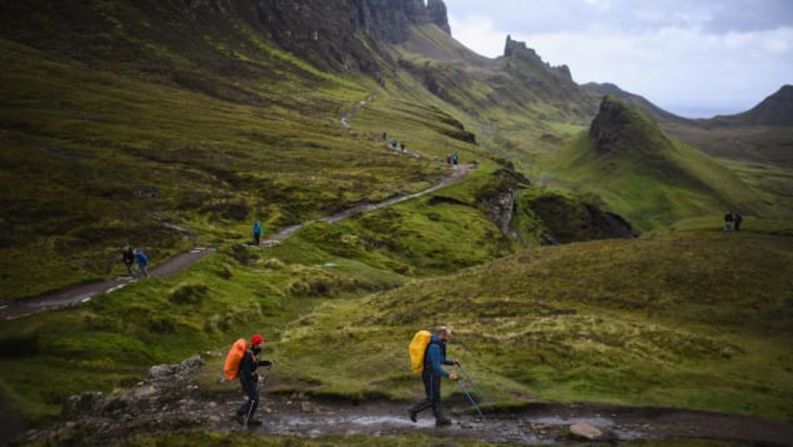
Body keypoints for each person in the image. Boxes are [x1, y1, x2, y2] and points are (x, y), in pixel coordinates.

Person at [408, 326, 459, 427]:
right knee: (431, 398)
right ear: (443, 335)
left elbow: (441, 360)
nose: (450, 337)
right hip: (430, 374)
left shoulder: (440, 344)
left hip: (434, 374)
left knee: (436, 398)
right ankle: (413, 410)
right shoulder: (434, 347)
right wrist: (448, 375)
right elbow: (436, 367)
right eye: (449, 335)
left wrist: (452, 362)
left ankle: (440, 420)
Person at [235, 334, 273, 427]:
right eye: (262, 342)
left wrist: (267, 362)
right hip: (245, 378)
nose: (263, 344)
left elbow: (255, 363)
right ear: (256, 344)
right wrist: (256, 378)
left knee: (255, 398)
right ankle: (240, 414)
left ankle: (249, 417)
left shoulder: (255, 352)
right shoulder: (248, 355)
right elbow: (246, 371)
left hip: (249, 377)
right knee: (254, 398)